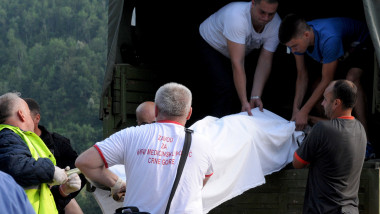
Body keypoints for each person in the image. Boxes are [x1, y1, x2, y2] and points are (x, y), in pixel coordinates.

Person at [76, 82, 215, 213]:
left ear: (156, 110)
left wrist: (116, 183)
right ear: (189, 113)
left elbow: (84, 162)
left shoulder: (131, 135)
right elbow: (199, 184)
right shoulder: (204, 144)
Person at [278, 14, 372, 136]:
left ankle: (366, 138)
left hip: (360, 43)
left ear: (306, 35)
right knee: (317, 89)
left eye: (294, 46)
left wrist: (304, 111)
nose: (293, 51)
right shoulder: (298, 39)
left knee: (351, 79)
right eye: (290, 48)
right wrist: (297, 109)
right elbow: (302, 76)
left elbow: (327, 79)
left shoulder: (329, 38)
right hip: (342, 50)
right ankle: (333, 130)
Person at [293, 80, 366, 213]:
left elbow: (297, 162)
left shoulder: (322, 129)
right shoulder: (360, 129)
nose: (322, 103)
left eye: (326, 99)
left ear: (336, 103)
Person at [198, 0, 281, 117]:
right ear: (253, 4)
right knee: (224, 87)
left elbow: (265, 61)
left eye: (271, 14)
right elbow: (237, 62)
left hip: (241, 50)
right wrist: (244, 102)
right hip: (211, 44)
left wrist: (255, 96)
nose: (266, 18)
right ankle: (215, 125)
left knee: (251, 89)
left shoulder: (276, 24)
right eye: (262, 12)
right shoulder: (236, 17)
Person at [0, 92, 69, 214]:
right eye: (28, 112)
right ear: (21, 114)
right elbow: (16, 167)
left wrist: (63, 191)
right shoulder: (7, 136)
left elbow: (37, 193)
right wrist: (51, 171)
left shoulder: (12, 137)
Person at [24, 98, 84, 214]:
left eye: (24, 117)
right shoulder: (13, 142)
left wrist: (65, 193)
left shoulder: (59, 143)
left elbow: (79, 170)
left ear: (37, 118)